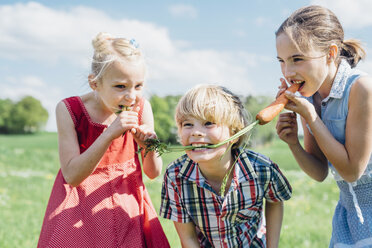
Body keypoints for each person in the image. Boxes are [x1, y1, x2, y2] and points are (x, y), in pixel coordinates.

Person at [38, 32, 170, 248]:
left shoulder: (142, 108)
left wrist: (149, 147)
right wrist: (109, 134)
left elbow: (153, 173)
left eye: (138, 86)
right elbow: (72, 175)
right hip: (79, 208)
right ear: (95, 83)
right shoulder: (69, 110)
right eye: (120, 86)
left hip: (126, 202)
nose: (131, 96)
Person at [275, 5, 372, 247]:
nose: (288, 72)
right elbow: (319, 172)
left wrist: (312, 118)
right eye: (282, 61)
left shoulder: (361, 89)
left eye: (297, 59)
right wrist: (293, 144)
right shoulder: (311, 95)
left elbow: (352, 171)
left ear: (330, 52)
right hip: (347, 216)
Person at [159, 84, 292, 247]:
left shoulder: (261, 168)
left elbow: (275, 200)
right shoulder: (175, 176)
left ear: (235, 133)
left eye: (208, 123)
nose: (196, 132)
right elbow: (188, 238)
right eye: (188, 124)